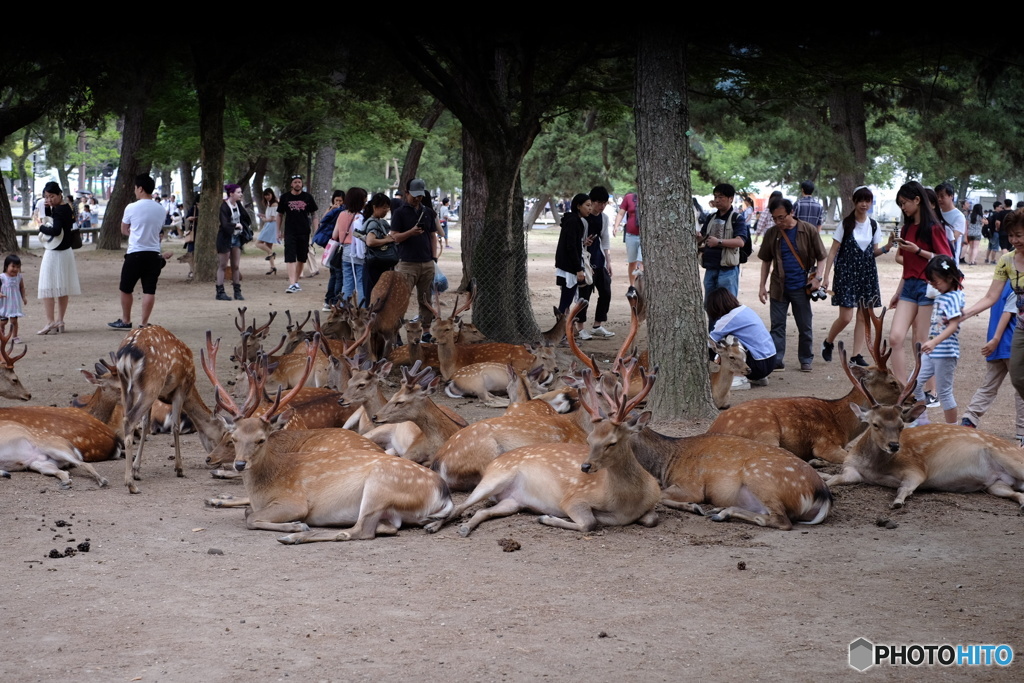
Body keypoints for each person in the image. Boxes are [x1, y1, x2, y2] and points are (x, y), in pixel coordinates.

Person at [887, 181, 953, 387]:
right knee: (895, 338)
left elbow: (946, 259)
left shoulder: (933, 228)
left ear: (917, 200)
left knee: (922, 341)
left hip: (928, 288)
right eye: (900, 204)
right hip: (909, 287)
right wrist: (899, 292)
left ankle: (928, 389)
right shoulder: (906, 228)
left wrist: (918, 250)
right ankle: (902, 389)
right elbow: (907, 265)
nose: (903, 207)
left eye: (904, 202)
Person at [963, 209, 1024, 428]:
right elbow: (991, 296)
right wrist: (965, 314)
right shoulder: (1007, 261)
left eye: (1019, 235)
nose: (1014, 240)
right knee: (1018, 379)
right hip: (1021, 329)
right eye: (1011, 235)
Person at [820, 186, 890, 366]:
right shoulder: (845, 224)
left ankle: (855, 356)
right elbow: (833, 252)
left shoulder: (874, 225)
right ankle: (828, 342)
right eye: (861, 200)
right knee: (846, 317)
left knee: (863, 316)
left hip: (867, 274)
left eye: (868, 200)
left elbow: (873, 252)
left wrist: (887, 247)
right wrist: (826, 276)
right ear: (854, 201)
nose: (864, 204)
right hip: (846, 274)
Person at [757, 198, 827, 372]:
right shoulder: (772, 233)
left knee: (805, 326)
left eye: (781, 217)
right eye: (775, 218)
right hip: (778, 287)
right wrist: (762, 286)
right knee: (777, 326)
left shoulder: (808, 230)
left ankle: (805, 359)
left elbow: (822, 256)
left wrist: (818, 278)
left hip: (801, 287)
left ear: (792, 213)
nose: (778, 222)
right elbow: (765, 261)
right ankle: (777, 359)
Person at [961, 281, 1024, 443]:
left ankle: (970, 417)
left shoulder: (1000, 286)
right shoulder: (1018, 285)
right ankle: (1022, 430)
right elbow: (1008, 312)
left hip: (996, 345)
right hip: (1011, 343)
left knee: (989, 386)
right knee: (1021, 389)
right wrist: (996, 339)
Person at [108, 174, 168, 329]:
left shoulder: (131, 207)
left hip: (135, 253)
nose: (135, 191)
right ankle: (143, 322)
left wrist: (134, 234)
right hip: (154, 253)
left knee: (126, 288)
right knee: (149, 289)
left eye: (135, 188)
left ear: (140, 188)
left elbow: (124, 228)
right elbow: (159, 231)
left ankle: (126, 320)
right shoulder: (161, 209)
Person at [911, 255, 965, 425]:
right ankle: (922, 422)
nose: (933, 285)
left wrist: (934, 342)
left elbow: (953, 325)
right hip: (932, 351)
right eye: (931, 282)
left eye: (936, 282)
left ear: (949, 278)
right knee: (913, 384)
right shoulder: (941, 296)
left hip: (946, 352)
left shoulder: (954, 297)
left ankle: (952, 429)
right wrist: (931, 343)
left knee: (944, 393)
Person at [390, 178, 439, 339]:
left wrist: (433, 257)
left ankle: (425, 331)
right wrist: (410, 232)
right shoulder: (399, 213)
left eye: (420, 195)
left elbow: (433, 235)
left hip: (427, 262)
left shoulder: (428, 212)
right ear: (406, 193)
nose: (417, 198)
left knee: (426, 299)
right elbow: (395, 237)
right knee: (402, 298)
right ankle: (395, 331)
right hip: (407, 263)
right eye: (414, 195)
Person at [707, 287, 776, 386]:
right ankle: (760, 378)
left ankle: (737, 377)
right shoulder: (745, 309)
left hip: (757, 366)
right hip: (771, 361)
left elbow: (710, 343)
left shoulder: (727, 319)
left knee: (729, 341)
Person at [36, 181, 80, 335]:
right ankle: (60, 320)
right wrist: (49, 211)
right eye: (47, 197)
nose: (49, 199)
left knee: (47, 286)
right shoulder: (66, 208)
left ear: (59, 194)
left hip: (54, 252)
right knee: (62, 287)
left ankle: (50, 321)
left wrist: (40, 227)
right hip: (66, 251)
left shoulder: (60, 210)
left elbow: (55, 230)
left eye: (52, 196)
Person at [699, 183, 748, 317]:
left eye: (721, 197)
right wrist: (697, 237)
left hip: (728, 270)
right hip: (710, 269)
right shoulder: (710, 218)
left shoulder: (737, 219)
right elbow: (702, 238)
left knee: (728, 309)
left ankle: (726, 337)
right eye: (715, 197)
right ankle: (713, 336)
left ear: (731, 198)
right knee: (710, 307)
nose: (717, 200)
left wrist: (719, 242)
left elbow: (740, 242)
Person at [554, 193, 592, 340]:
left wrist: (582, 243)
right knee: (566, 300)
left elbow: (573, 244)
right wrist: (578, 269)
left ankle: (562, 331)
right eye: (587, 205)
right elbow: (570, 247)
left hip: (567, 266)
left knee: (566, 299)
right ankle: (560, 332)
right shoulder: (574, 222)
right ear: (578, 206)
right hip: (569, 268)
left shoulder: (574, 221)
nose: (589, 209)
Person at [579, 186, 614, 339]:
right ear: (591, 201)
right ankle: (580, 328)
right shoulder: (581, 218)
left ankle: (597, 325)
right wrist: (582, 242)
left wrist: (608, 261)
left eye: (605, 203)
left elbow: (605, 239)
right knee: (584, 294)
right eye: (599, 203)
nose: (602, 206)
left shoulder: (604, 218)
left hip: (599, 259)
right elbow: (574, 240)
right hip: (585, 260)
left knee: (606, 292)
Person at [277, 174, 318, 293]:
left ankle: (296, 282)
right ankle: (292, 283)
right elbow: (279, 215)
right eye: (295, 182)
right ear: (291, 184)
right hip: (290, 232)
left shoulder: (307, 197)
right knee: (290, 257)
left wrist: (316, 230)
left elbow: (314, 215)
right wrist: (278, 231)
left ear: (302, 184)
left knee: (302, 258)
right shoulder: (285, 197)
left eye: (299, 182)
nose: (297, 184)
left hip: (304, 231)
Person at [215, 183, 251, 301]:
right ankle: (220, 292)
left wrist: (243, 227)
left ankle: (237, 292)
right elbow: (224, 224)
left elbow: (245, 218)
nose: (241, 194)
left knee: (235, 266)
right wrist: (236, 225)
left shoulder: (238, 204)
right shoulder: (224, 206)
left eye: (241, 192)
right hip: (225, 238)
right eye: (238, 192)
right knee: (223, 265)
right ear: (231, 194)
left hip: (236, 238)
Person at [332, 187, 367, 309]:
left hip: (345, 252)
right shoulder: (361, 217)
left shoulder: (341, 214)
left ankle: (344, 309)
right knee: (361, 283)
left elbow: (334, 235)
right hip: (359, 252)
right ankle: (362, 310)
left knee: (347, 283)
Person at [360, 192, 399, 299]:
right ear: (375, 207)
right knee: (373, 297)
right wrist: (386, 240)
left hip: (378, 264)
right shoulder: (373, 223)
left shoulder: (380, 221)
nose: (386, 210)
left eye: (388, 207)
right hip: (374, 266)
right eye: (384, 207)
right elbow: (370, 242)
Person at [614, 190, 642, 286]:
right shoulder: (629, 198)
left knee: (642, 261)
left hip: (645, 237)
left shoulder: (650, 197)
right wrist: (616, 226)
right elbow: (621, 213)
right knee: (632, 261)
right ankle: (632, 286)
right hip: (631, 235)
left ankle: (642, 285)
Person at [935, 182, 965, 264]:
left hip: (950, 259)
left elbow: (954, 238)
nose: (939, 199)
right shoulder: (935, 213)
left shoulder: (959, 216)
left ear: (951, 196)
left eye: (942, 196)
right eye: (937, 196)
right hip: (935, 258)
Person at [0, 254, 27, 343]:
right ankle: (2, 331)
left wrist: (24, 297)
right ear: (6, 266)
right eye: (13, 266)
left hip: (14, 303)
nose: (15, 269)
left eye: (18, 267)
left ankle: (15, 336)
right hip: (4, 303)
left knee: (14, 321)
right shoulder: (2, 277)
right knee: (3, 322)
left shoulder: (19, 277)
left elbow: (22, 287)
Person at [256, 188, 279, 275]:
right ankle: (272, 267)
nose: (267, 197)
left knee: (258, 243)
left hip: (271, 225)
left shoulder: (274, 204)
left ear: (272, 194)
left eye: (268, 195)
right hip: (269, 225)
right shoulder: (269, 204)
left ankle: (271, 253)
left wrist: (264, 219)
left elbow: (273, 218)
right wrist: (263, 216)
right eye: (265, 195)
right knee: (268, 246)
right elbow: (270, 215)